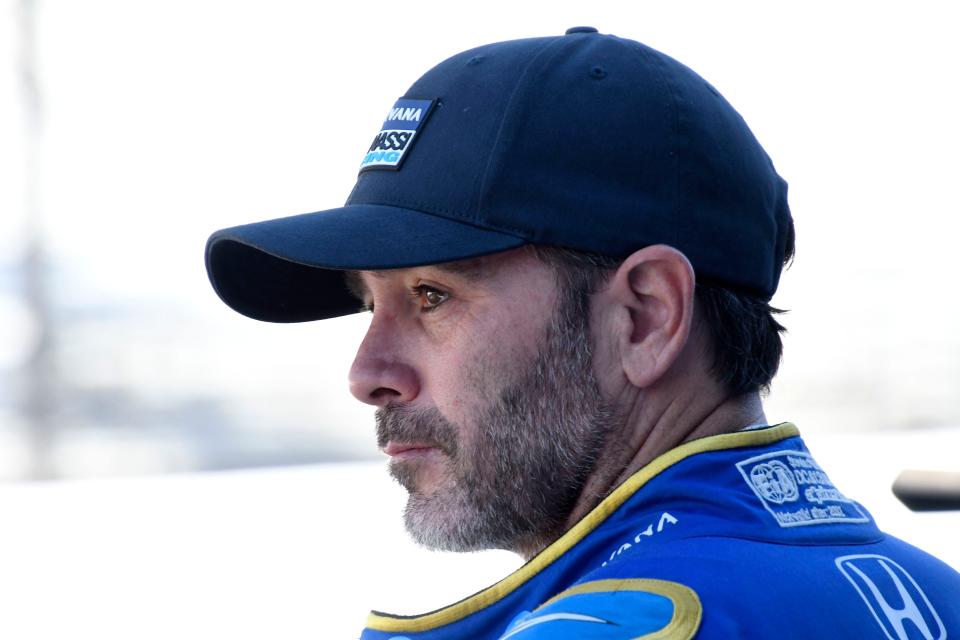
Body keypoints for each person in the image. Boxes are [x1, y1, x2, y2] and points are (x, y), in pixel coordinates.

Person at [205, 27, 960, 640]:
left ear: (645, 317)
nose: (368, 372)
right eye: (371, 305)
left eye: (432, 295)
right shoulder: (931, 592)